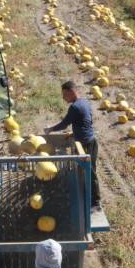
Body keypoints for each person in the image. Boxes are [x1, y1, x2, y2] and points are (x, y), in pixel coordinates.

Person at [45, 81, 100, 211]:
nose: (63, 98)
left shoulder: (74, 107)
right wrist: (74, 133)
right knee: (88, 171)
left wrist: (50, 130)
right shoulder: (84, 102)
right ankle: (88, 196)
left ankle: (96, 203)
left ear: (71, 92)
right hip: (91, 142)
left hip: (85, 144)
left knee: (90, 172)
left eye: (65, 94)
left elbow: (64, 124)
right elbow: (86, 121)